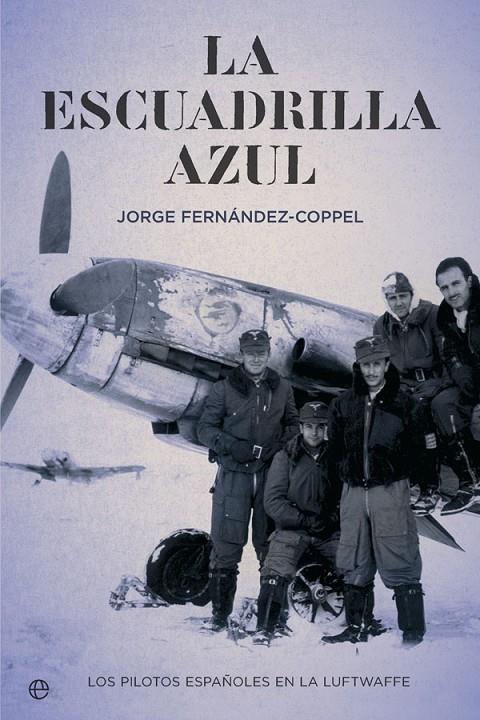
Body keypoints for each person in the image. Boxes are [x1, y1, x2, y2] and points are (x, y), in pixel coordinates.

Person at [323, 335, 425, 646]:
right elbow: (333, 451)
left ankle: (412, 632)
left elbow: (419, 450)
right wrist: (338, 486)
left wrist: (417, 482)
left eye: (376, 364)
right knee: (354, 556)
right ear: (358, 366)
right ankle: (357, 627)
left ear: (386, 365)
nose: (371, 370)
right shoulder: (343, 404)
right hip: (354, 491)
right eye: (365, 365)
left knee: (399, 554)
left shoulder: (405, 404)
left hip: (389, 490)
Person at [196, 329, 299, 631]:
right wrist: (231, 445)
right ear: (241, 355)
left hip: (270, 477)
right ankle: (219, 617)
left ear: (269, 354)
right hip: (233, 477)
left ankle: (274, 618)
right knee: (226, 544)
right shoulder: (224, 389)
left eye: (261, 352)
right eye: (250, 353)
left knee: (271, 546)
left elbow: (294, 424)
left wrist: (277, 447)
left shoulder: (282, 388)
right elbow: (205, 429)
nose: (256, 358)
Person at [252, 401, 341, 646]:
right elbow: (273, 501)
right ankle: (265, 628)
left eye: (320, 426)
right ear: (301, 427)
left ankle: (360, 624)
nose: (315, 432)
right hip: (292, 530)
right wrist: (303, 520)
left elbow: (345, 497)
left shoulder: (336, 458)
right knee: (275, 569)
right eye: (309, 426)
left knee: (354, 565)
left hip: (327, 531)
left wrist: (331, 519)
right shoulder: (285, 457)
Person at [373, 272, 446, 514]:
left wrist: (438, 383)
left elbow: (447, 354)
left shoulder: (432, 314)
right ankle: (403, 481)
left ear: (411, 295)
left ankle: (430, 486)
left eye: (403, 296)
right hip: (402, 386)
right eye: (392, 298)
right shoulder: (382, 325)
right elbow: (382, 364)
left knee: (418, 415)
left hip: (431, 382)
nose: (398, 303)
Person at [435, 257, 480, 514]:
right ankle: (471, 481)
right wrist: (464, 380)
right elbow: (451, 355)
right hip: (471, 384)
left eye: (456, 283)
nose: (451, 292)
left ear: (469, 281)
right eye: (444, 287)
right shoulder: (446, 317)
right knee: (443, 404)